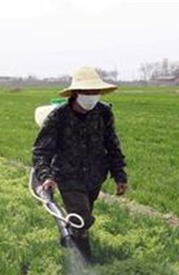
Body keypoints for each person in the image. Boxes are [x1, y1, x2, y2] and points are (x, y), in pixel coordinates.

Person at [32, 66, 127, 263]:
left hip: (95, 176)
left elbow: (112, 145)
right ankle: (86, 265)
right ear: (76, 93)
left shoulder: (104, 113)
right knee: (82, 217)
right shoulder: (58, 117)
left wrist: (119, 175)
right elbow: (41, 150)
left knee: (82, 217)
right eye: (87, 92)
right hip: (68, 176)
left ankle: (70, 235)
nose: (92, 96)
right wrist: (46, 176)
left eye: (95, 92)